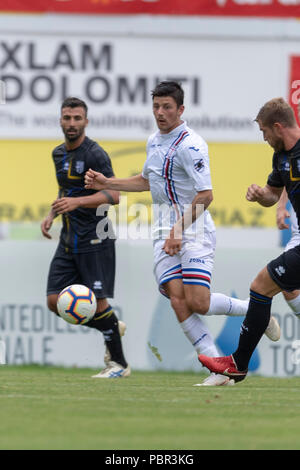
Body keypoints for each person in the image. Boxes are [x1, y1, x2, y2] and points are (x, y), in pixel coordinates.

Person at [84, 81, 279, 386]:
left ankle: (258, 313)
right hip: (164, 231)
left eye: (167, 107)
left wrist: (178, 230)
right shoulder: (154, 142)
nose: (160, 113)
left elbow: (206, 195)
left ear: (181, 110)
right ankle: (218, 371)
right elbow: (148, 180)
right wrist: (106, 183)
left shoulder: (192, 145)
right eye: (156, 107)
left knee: (197, 302)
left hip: (194, 230)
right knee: (177, 300)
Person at [198, 97, 300, 383]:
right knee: (276, 289)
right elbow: (272, 192)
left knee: (260, 286)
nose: (265, 139)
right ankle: (238, 363)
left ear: (278, 127)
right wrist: (261, 196)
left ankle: (238, 363)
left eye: (265, 132)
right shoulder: (280, 157)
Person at [41, 96, 130, 379]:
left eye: (77, 118)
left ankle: (119, 365)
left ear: (86, 122)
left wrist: (78, 204)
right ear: (60, 120)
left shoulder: (95, 154)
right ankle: (112, 326)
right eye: (67, 118)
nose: (72, 123)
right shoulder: (58, 154)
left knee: (99, 303)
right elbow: (65, 191)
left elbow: (113, 195)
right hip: (68, 239)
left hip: (95, 238)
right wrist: (52, 213)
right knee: (54, 301)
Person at [276, 189, 300, 317]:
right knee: (288, 284)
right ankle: (248, 308)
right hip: (297, 234)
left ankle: (248, 308)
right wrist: (281, 205)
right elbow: (289, 176)